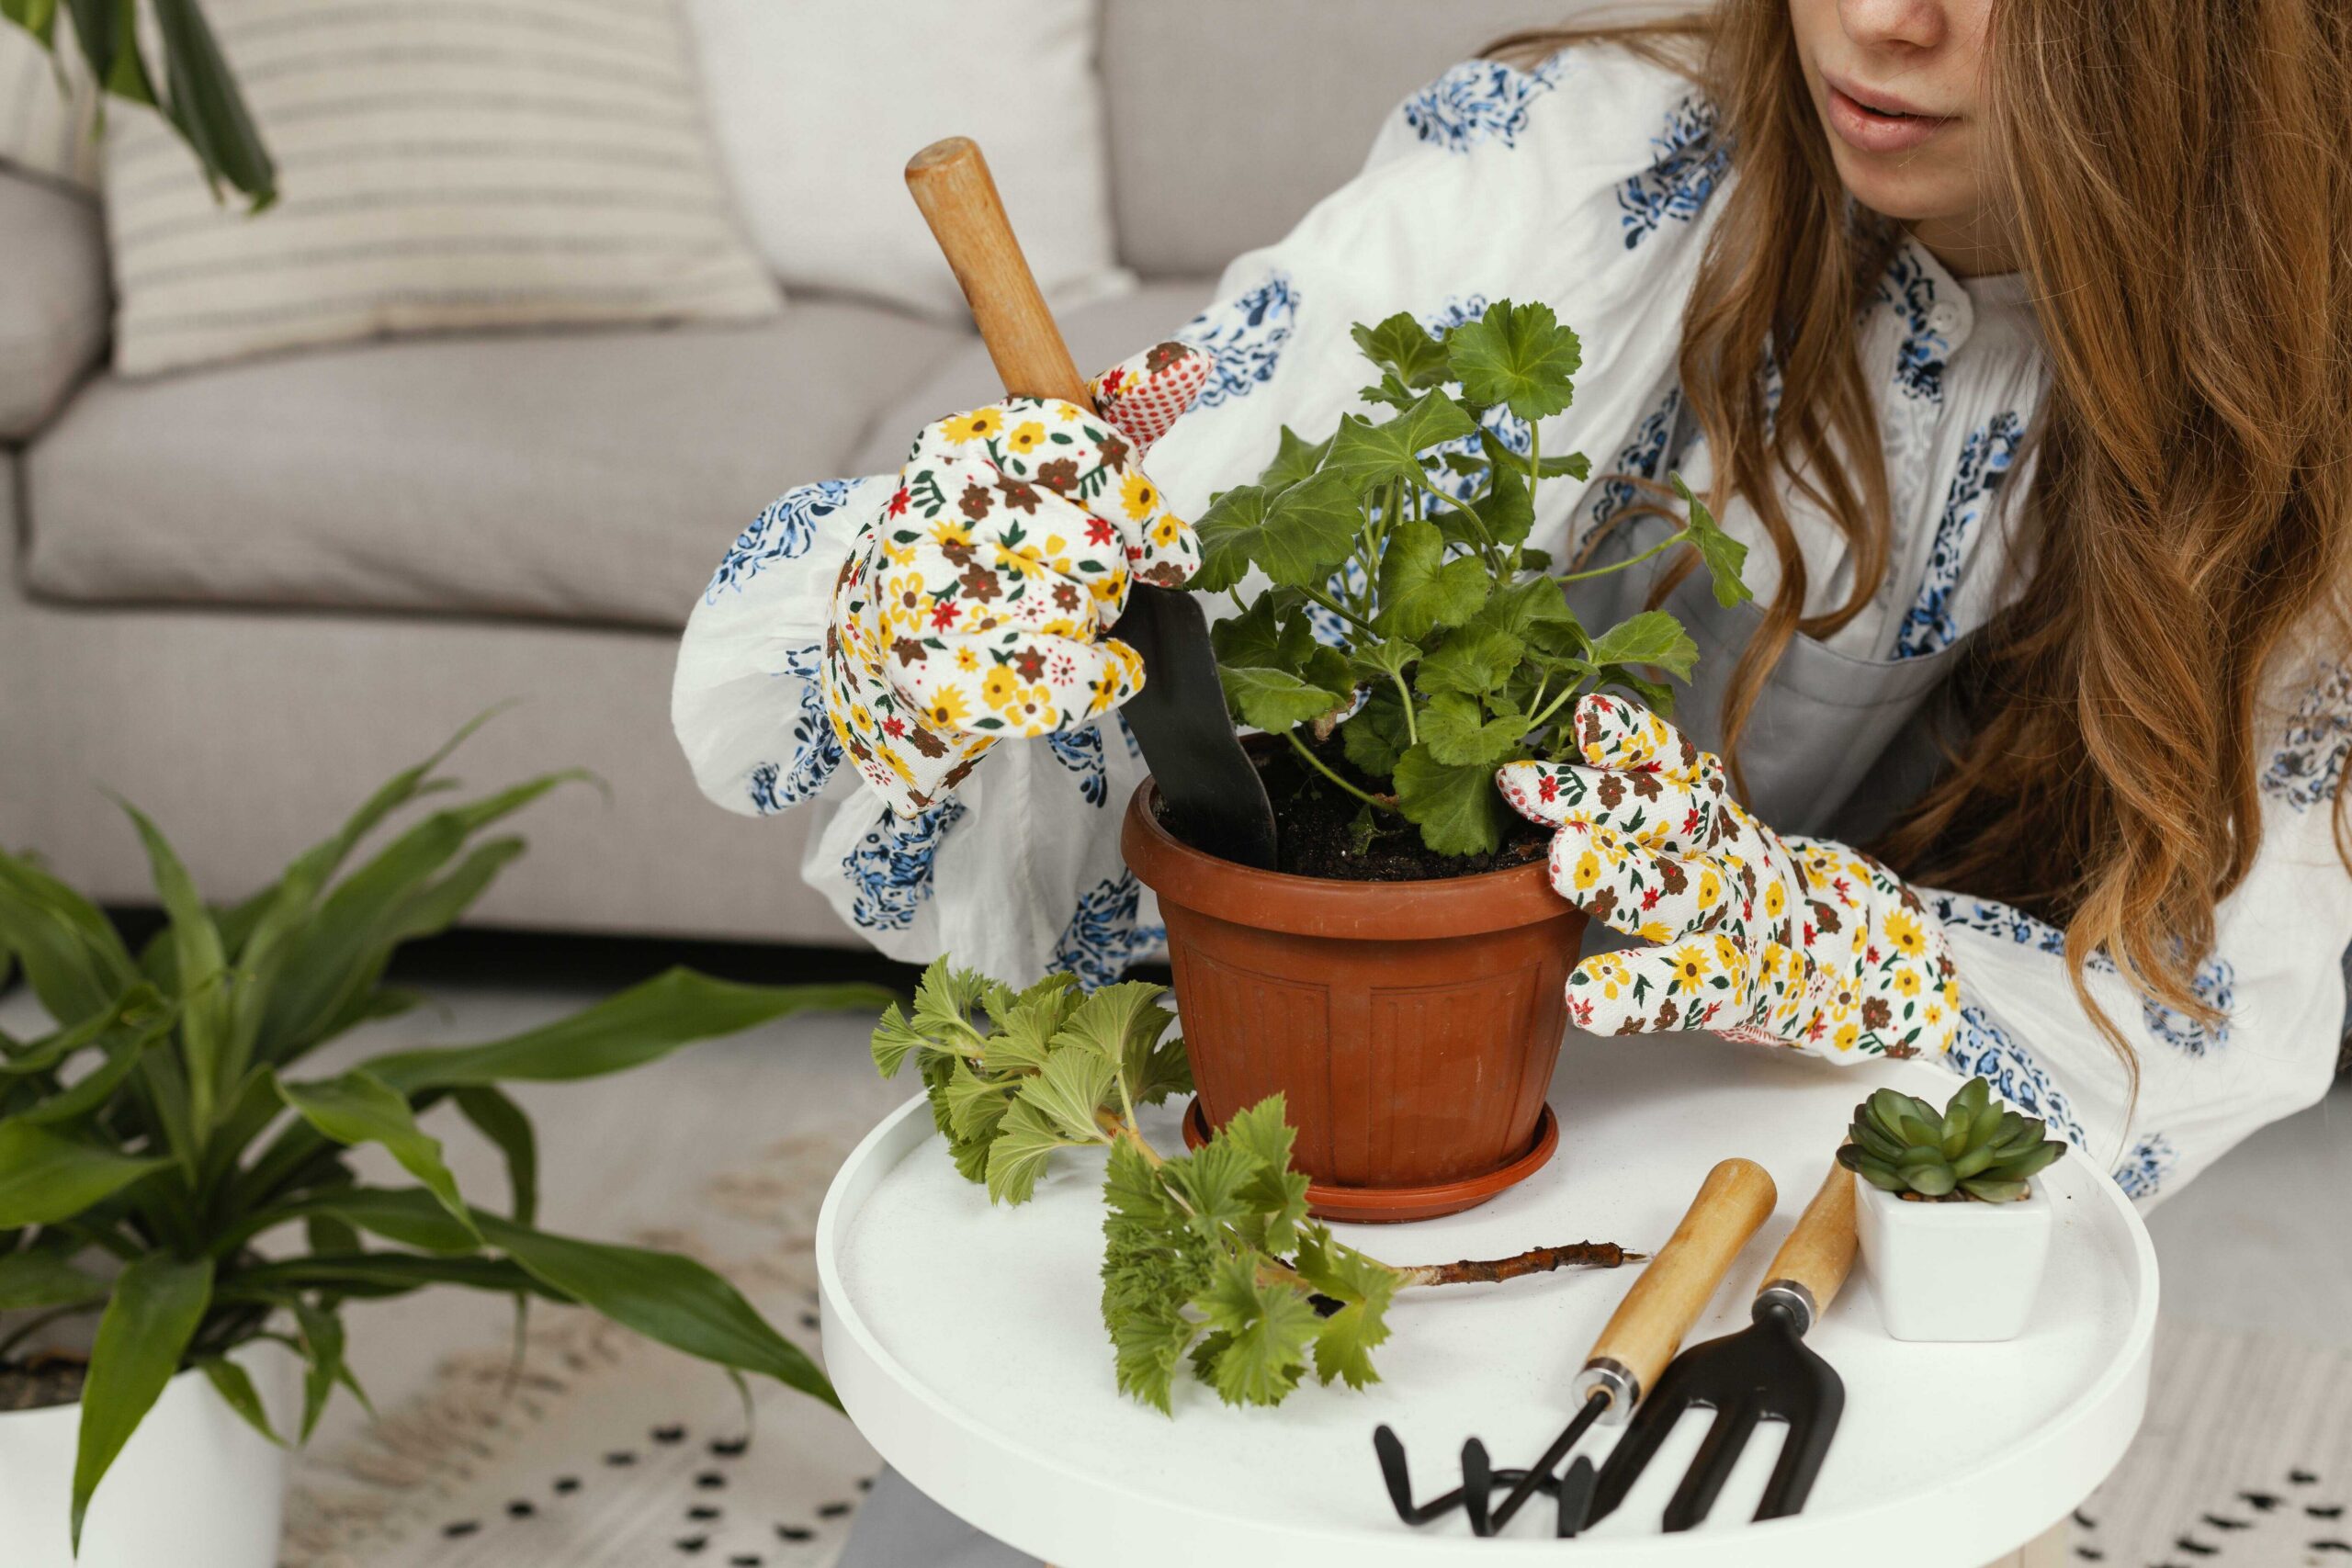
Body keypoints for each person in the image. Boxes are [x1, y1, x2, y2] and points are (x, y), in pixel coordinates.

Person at [673, 0, 2352, 1557]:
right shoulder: (1592, 169)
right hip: (1331, 1122)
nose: (1881, 18)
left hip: (1781, 1173)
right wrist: (934, 600)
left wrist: (1832, 943)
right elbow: (1205, 482)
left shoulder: (2297, 377)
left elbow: (2228, 1001)